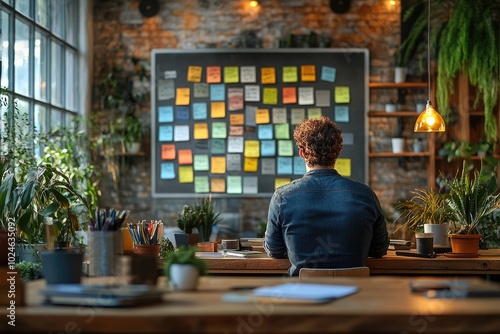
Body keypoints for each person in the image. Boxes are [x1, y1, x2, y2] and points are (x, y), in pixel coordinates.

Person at [264, 116, 389, 276]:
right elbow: (379, 249)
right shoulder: (365, 195)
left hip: (301, 296)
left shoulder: (282, 197)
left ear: (302, 152)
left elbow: (274, 250)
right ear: (337, 152)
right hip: (355, 297)